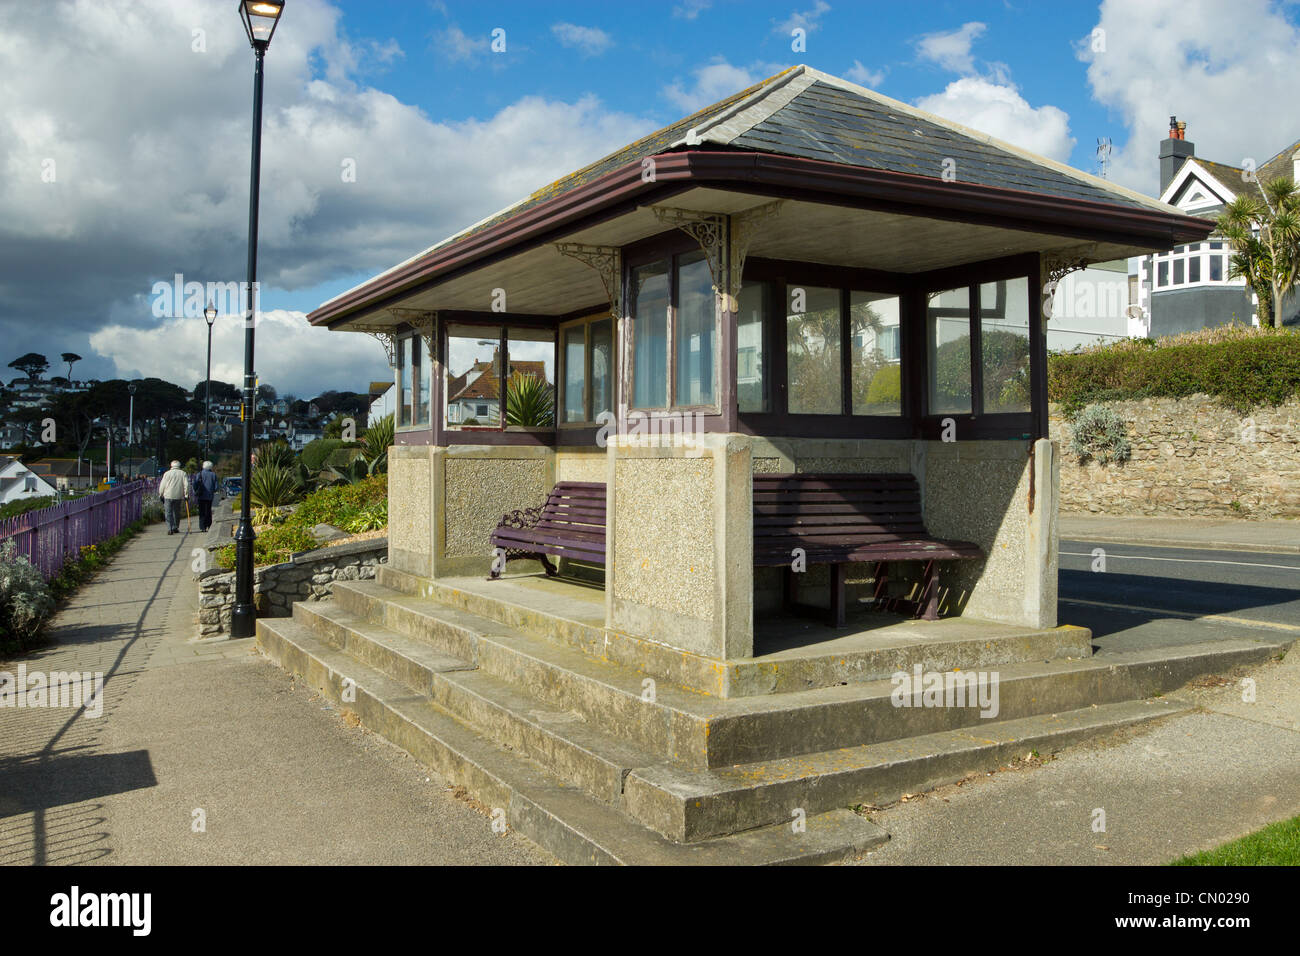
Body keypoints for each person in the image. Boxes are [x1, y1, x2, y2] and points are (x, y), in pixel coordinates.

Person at [158, 460, 188, 534]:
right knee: (176, 512)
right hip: (178, 496)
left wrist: (160, 494)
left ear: (171, 465)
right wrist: (186, 494)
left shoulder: (167, 474)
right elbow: (186, 485)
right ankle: (175, 527)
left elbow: (162, 485)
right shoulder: (183, 473)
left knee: (168, 512)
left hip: (168, 495)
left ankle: (170, 528)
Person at [192, 461, 219, 532]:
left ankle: (202, 527)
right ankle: (209, 525)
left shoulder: (199, 474)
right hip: (209, 496)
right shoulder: (213, 475)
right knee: (208, 510)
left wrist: (196, 491)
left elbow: (195, 484)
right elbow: (216, 487)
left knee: (202, 511)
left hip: (201, 496)